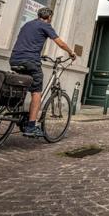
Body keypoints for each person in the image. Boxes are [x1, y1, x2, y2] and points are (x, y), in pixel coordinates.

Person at [10, 7, 76, 137]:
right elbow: (60, 43)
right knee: (36, 92)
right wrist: (71, 52)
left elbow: (26, 42)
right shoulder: (45, 25)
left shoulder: (27, 25)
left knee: (22, 84)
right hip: (30, 61)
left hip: (14, 60)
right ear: (50, 17)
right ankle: (31, 126)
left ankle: (19, 113)